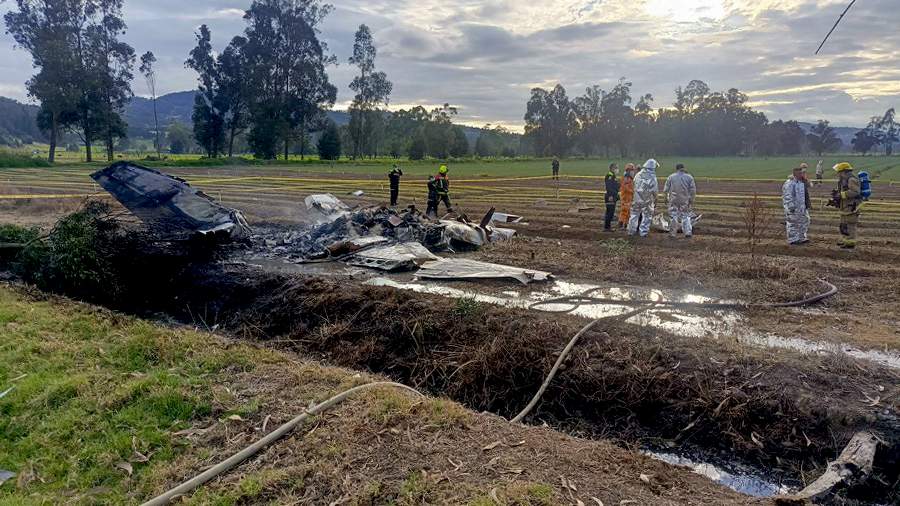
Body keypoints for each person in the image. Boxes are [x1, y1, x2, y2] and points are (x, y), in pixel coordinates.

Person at [832, 162, 862, 249]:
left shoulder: (851, 179)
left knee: (850, 225)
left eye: (839, 172)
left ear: (844, 171)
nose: (838, 174)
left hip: (851, 206)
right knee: (843, 224)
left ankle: (850, 243)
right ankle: (845, 240)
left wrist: (841, 195)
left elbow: (855, 192)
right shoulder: (844, 179)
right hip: (845, 206)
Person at [627, 159, 660, 237]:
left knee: (634, 215)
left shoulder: (638, 174)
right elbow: (655, 190)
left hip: (636, 198)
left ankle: (631, 231)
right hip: (647, 200)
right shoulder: (652, 177)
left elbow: (633, 184)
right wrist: (656, 199)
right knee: (647, 216)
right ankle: (643, 232)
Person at [663, 163, 697, 238]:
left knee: (673, 216)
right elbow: (693, 190)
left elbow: (666, 189)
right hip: (685, 200)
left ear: (676, 169)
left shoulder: (671, 177)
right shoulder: (689, 177)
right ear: (683, 168)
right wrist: (691, 200)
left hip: (673, 200)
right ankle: (688, 232)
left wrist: (665, 198)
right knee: (685, 216)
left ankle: (672, 233)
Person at [782, 165, 811, 245]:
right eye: (799, 173)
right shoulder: (789, 183)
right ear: (795, 174)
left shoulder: (801, 182)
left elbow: (809, 187)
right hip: (793, 208)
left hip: (801, 207)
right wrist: (790, 206)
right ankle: (793, 239)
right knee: (793, 223)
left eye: (802, 173)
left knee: (804, 221)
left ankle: (802, 237)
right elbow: (787, 195)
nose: (801, 175)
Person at [618, 163, 636, 229]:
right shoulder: (627, 178)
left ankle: (623, 223)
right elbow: (626, 188)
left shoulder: (627, 178)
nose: (633, 172)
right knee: (625, 211)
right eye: (632, 170)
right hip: (626, 197)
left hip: (627, 197)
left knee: (625, 211)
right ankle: (623, 224)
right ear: (629, 170)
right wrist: (633, 191)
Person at [603, 163, 620, 232]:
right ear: (612, 168)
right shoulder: (609, 176)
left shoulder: (613, 176)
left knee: (610, 212)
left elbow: (616, 186)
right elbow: (609, 188)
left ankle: (607, 227)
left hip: (612, 196)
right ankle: (607, 228)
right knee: (610, 212)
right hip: (610, 196)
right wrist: (614, 194)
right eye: (616, 168)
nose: (617, 169)